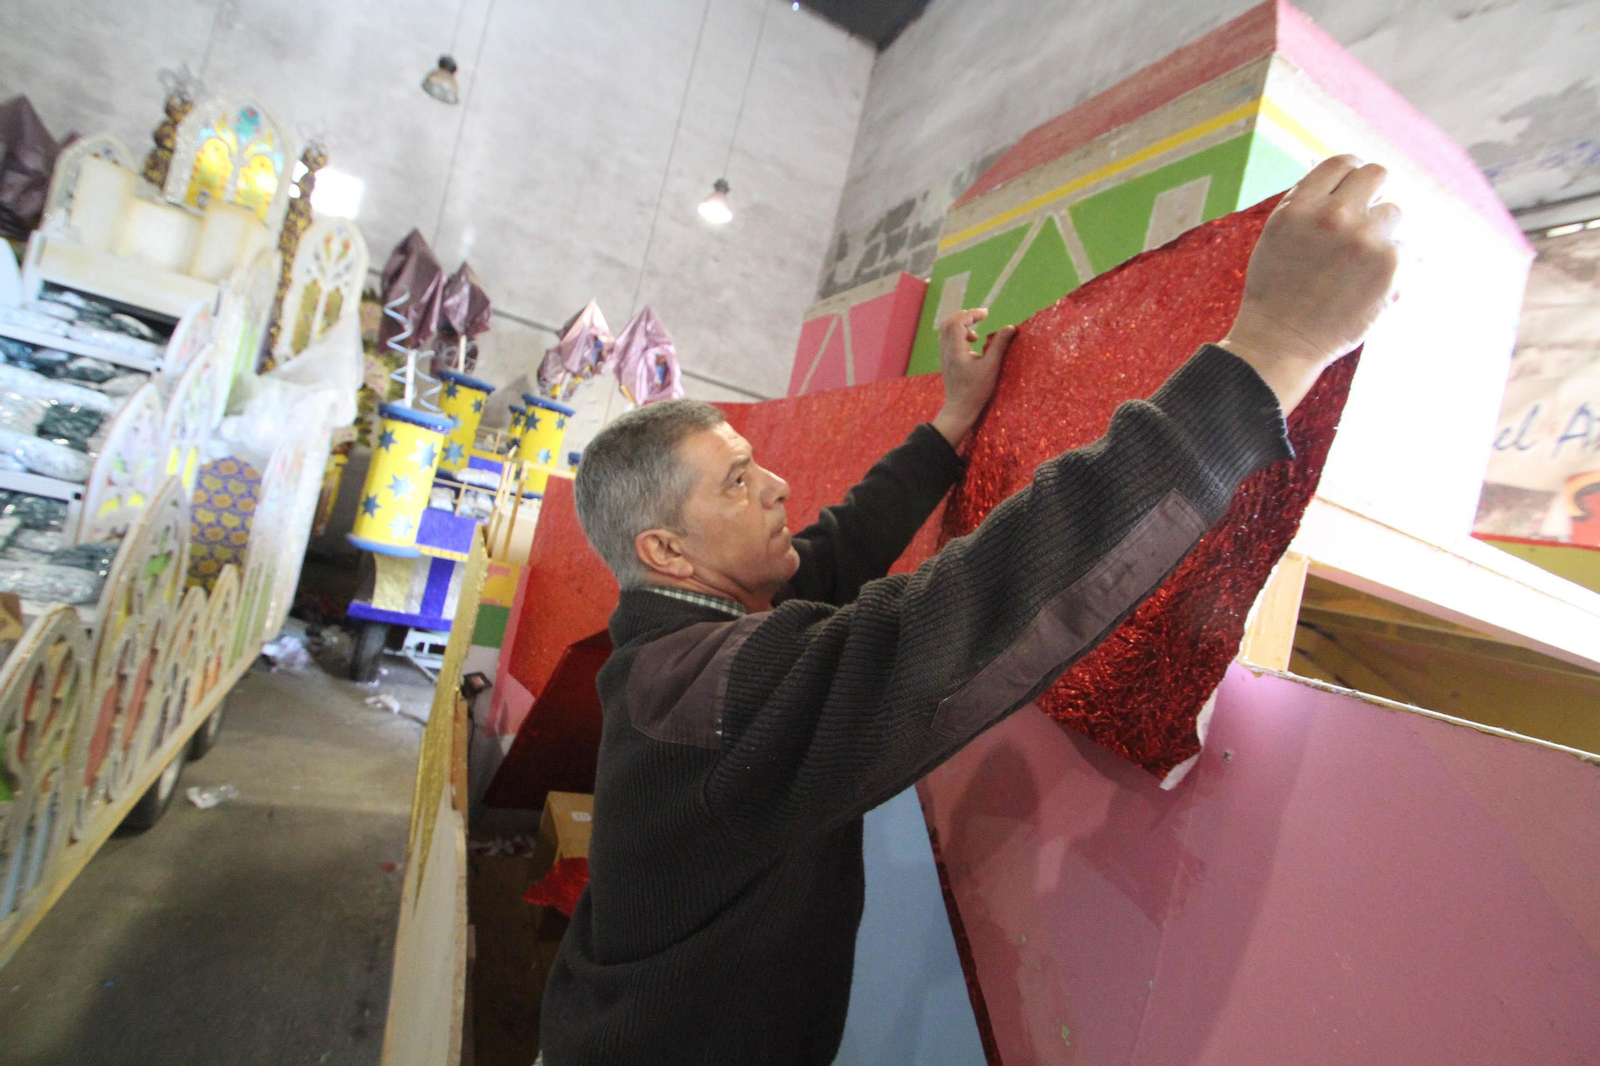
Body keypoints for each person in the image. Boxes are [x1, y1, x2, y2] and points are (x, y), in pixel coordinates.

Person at [539, 156, 1401, 1064]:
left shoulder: (689, 633)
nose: (779, 486)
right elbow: (948, 620)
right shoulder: (699, 693)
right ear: (665, 551)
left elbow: (838, 547)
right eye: (742, 482)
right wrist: (1269, 354)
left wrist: (954, 419)